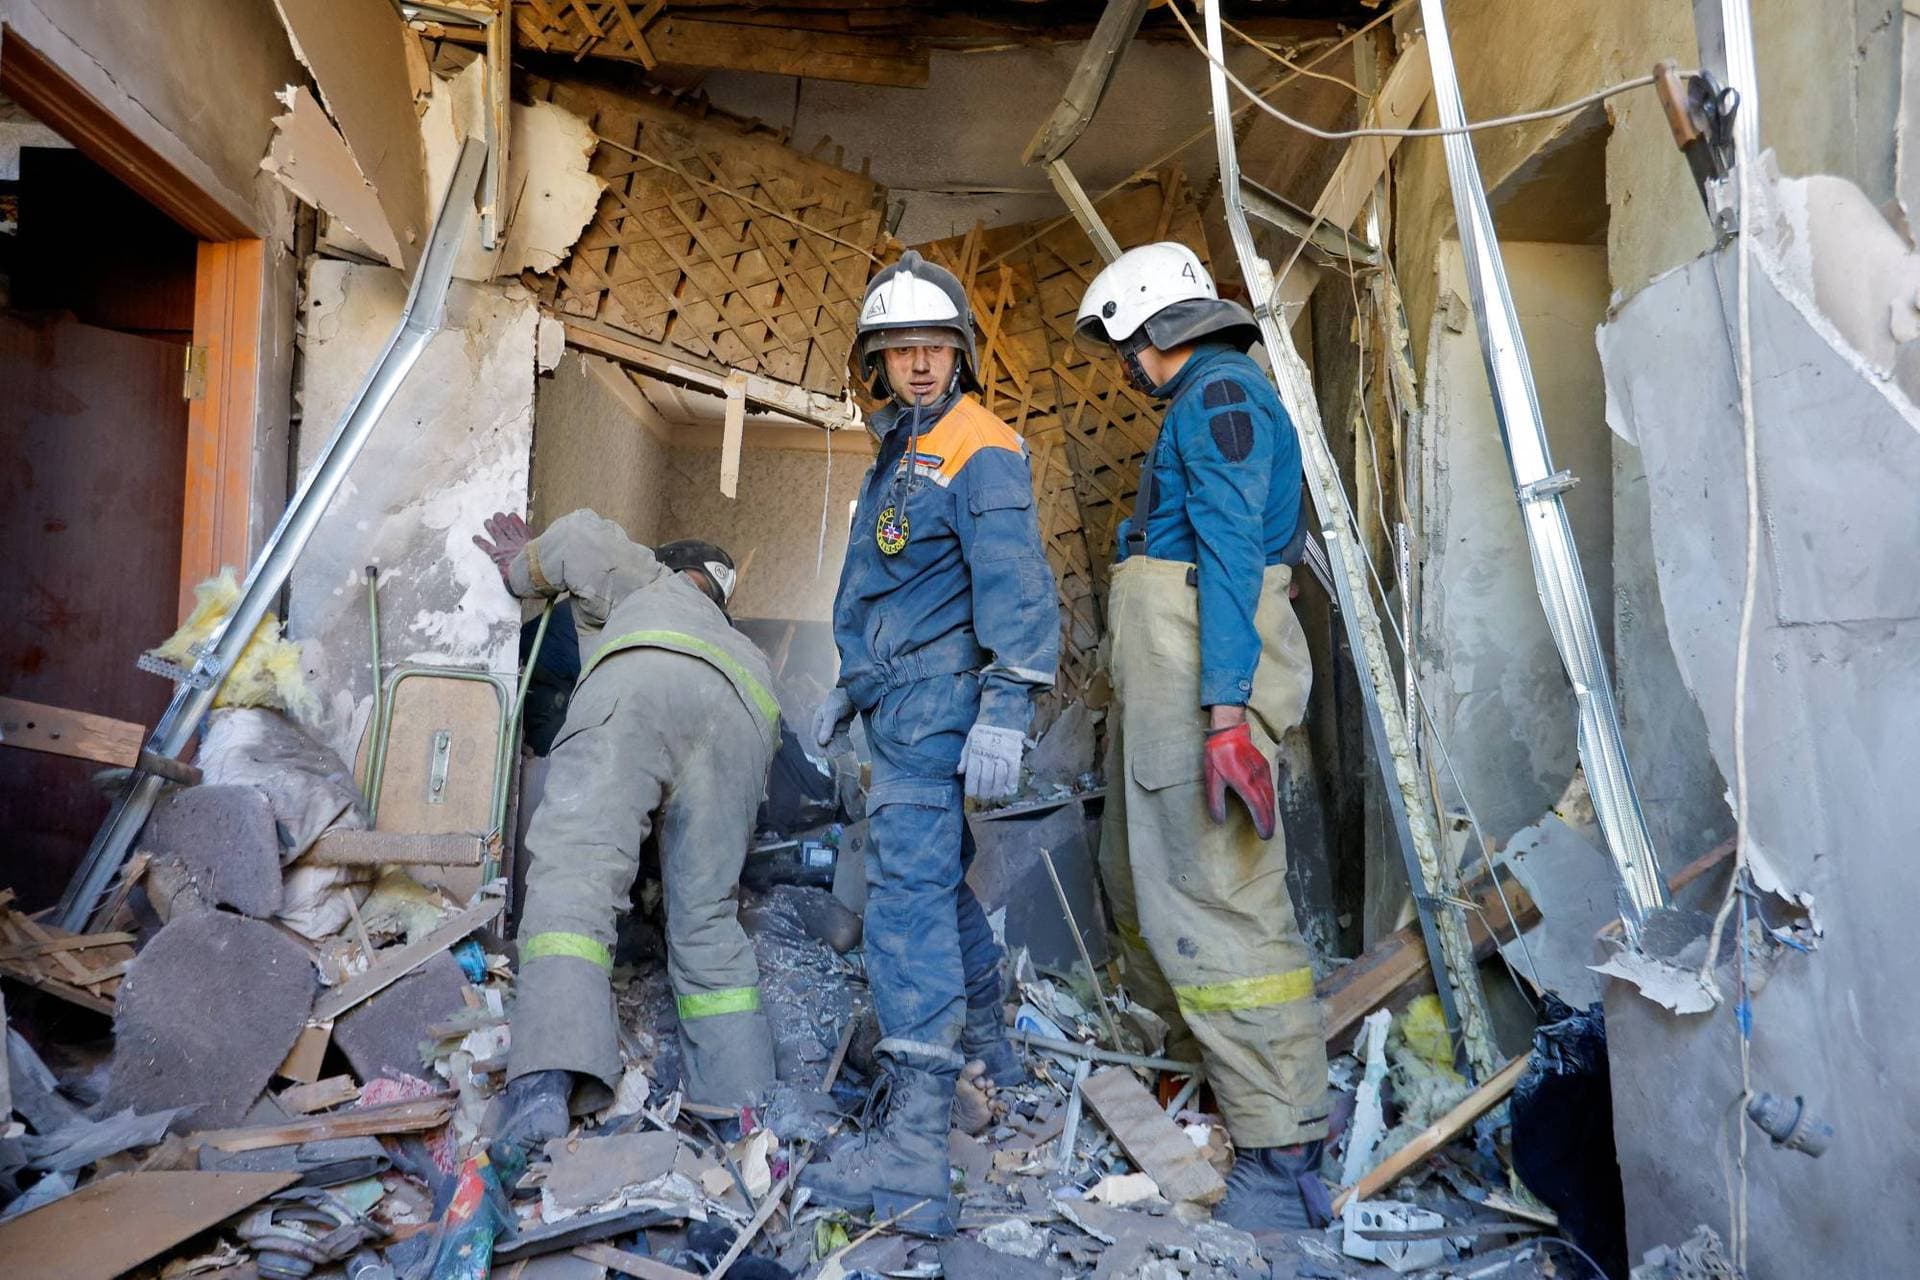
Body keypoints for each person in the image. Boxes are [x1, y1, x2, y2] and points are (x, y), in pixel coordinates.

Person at [801, 251, 1059, 1236]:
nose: (916, 363)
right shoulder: (905, 446)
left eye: (933, 346)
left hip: (935, 711)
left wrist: (1008, 706)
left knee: (903, 907)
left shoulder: (976, 443)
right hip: (899, 702)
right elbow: (895, 591)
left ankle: (912, 1151)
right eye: (899, 349)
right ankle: (992, 1053)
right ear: (879, 361)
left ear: (961, 352)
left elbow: (1016, 586)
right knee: (936, 887)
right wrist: (846, 683)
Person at [1075, 242, 1332, 1232]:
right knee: (1153, 877)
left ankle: (1279, 1147)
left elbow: (1230, 553)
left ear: (1158, 327)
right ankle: (1202, 1085)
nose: (1128, 364)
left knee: (1223, 900)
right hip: (1174, 675)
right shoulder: (1208, 402)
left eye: (1128, 344)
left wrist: (1227, 717)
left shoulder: (1221, 398)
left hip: (1200, 681)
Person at [474, 509, 783, 1174]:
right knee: (705, 916)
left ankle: (541, 1089)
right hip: (748, 714)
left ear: (680, 571)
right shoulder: (742, 644)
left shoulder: (650, 585)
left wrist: (523, 564)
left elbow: (584, 538)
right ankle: (742, 1106)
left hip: (643, 683)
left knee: (576, 878)